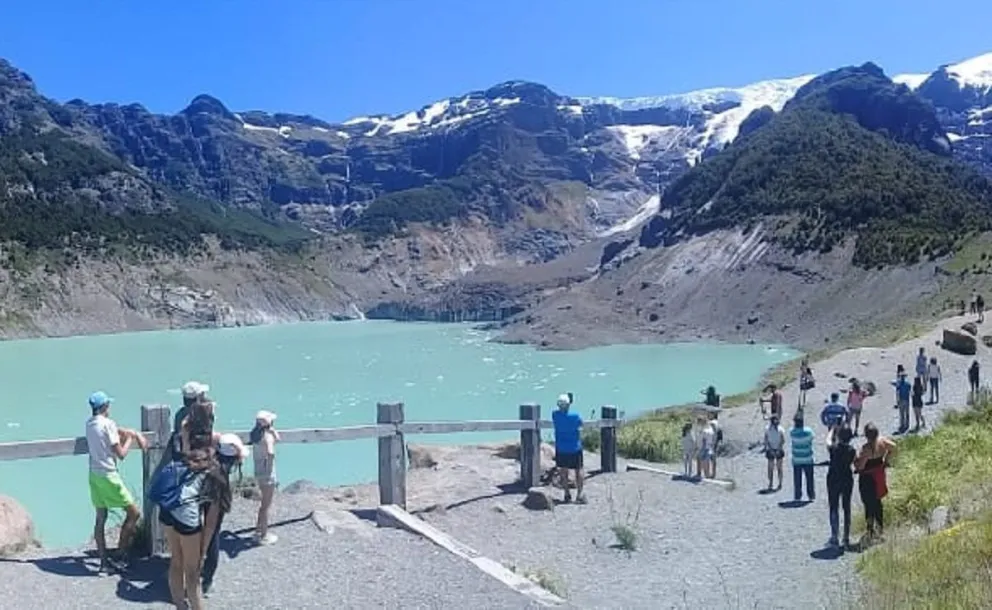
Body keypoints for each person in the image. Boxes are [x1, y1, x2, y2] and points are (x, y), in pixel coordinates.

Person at [156, 441, 232, 610]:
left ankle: (180, 605)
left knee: (176, 559)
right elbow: (211, 523)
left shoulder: (188, 463)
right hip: (185, 515)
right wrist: (202, 551)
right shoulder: (217, 477)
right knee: (193, 571)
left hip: (168, 509)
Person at [85, 390, 147, 573]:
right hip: (109, 476)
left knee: (100, 518)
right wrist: (130, 438)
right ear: (105, 406)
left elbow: (110, 431)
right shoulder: (108, 424)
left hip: (94, 475)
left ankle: (104, 563)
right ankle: (120, 553)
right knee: (134, 514)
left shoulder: (89, 424)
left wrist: (128, 431)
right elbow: (121, 454)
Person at [202, 433, 249, 595]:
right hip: (211, 509)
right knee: (213, 535)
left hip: (199, 505)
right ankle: (206, 580)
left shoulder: (211, 460)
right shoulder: (221, 477)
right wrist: (202, 550)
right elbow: (210, 524)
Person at [855, 423, 896, 546]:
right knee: (878, 503)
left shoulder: (867, 449)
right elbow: (894, 447)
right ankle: (880, 530)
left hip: (867, 478)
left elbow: (860, 466)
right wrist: (886, 460)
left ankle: (870, 530)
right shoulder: (882, 442)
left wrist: (856, 461)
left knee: (868, 504)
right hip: (878, 475)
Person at [251, 409, 282, 542]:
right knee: (266, 505)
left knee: (263, 504)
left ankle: (259, 529)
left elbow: (278, 439)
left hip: (258, 471)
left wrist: (273, 431)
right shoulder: (267, 437)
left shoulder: (255, 435)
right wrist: (269, 465)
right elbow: (271, 452)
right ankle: (264, 535)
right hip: (267, 474)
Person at [826, 426, 856, 549]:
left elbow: (827, 442)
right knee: (846, 507)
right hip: (847, 478)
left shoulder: (834, 448)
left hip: (833, 478)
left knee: (834, 506)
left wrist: (832, 430)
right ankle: (846, 537)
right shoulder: (851, 450)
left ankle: (834, 536)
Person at [171, 381, 210, 456]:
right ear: (198, 397)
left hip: (183, 454)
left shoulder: (179, 414)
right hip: (199, 455)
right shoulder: (203, 414)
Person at [790, 415, 815, 502]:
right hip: (808, 458)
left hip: (797, 459)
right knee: (810, 478)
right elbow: (812, 438)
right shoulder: (808, 431)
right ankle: (811, 495)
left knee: (797, 478)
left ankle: (798, 495)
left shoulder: (792, 432)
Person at [763, 415, 786, 491]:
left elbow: (783, 440)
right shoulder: (767, 429)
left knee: (779, 468)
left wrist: (779, 448)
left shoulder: (781, 429)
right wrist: (770, 448)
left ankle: (780, 483)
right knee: (770, 468)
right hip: (771, 449)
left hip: (778, 449)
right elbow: (766, 439)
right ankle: (770, 482)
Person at [709, 411, 723, 479]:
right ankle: (713, 473)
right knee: (712, 459)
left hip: (712, 442)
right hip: (714, 442)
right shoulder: (716, 422)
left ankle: (712, 474)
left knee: (711, 458)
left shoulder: (712, 423)